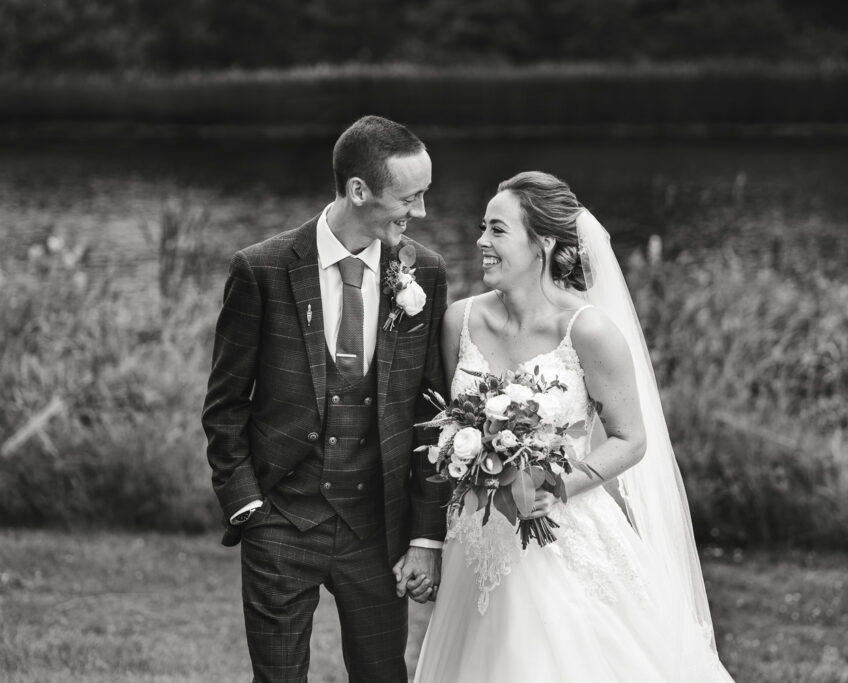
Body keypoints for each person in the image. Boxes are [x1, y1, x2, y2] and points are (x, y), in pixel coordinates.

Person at [414, 171, 734, 682]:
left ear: (542, 243)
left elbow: (631, 439)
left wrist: (556, 485)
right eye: (482, 228)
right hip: (478, 542)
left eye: (497, 230)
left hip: (564, 536)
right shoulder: (460, 321)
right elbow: (446, 425)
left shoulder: (588, 330)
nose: (481, 242)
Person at [202, 115, 449, 683]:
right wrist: (247, 506)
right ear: (359, 190)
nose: (420, 212)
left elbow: (431, 412)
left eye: (424, 194)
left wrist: (424, 536)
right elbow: (225, 404)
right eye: (408, 197)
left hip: (378, 528)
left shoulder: (427, 273)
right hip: (280, 522)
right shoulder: (261, 270)